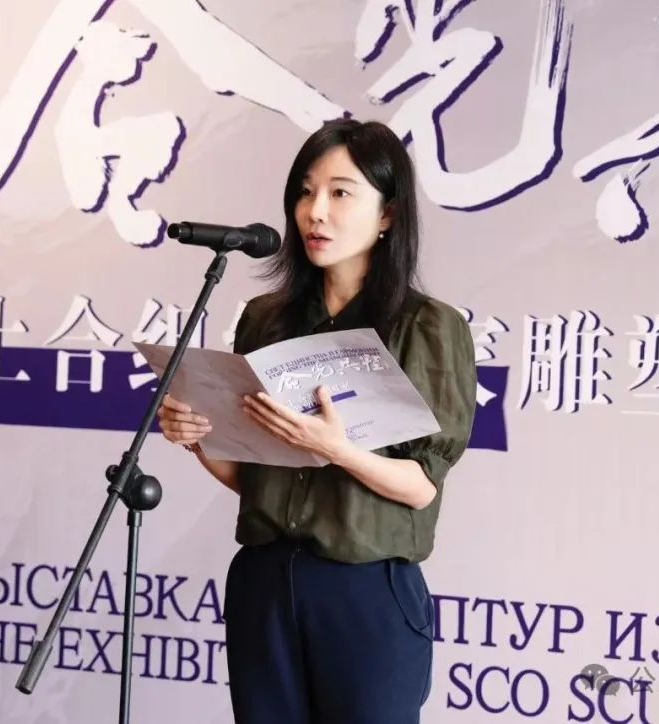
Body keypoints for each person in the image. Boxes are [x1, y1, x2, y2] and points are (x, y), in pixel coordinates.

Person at [157, 118, 477, 723]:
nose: (315, 212)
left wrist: (338, 449)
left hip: (364, 590)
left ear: (388, 215)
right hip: (264, 581)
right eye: (305, 192)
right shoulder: (266, 318)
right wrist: (199, 439)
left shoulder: (426, 327)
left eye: (340, 192)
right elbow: (257, 478)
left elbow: (421, 486)